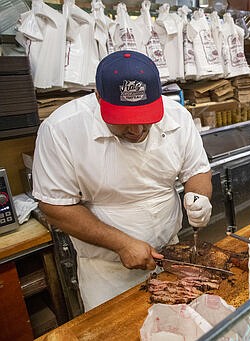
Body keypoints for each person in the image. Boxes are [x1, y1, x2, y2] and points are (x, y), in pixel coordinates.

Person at [32, 50, 213, 311]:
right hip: (107, 275)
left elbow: (197, 170)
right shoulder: (61, 130)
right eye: (124, 121)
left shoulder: (177, 117)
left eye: (145, 119)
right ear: (98, 97)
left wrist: (198, 198)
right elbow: (55, 206)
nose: (137, 130)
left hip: (170, 258)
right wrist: (122, 244)